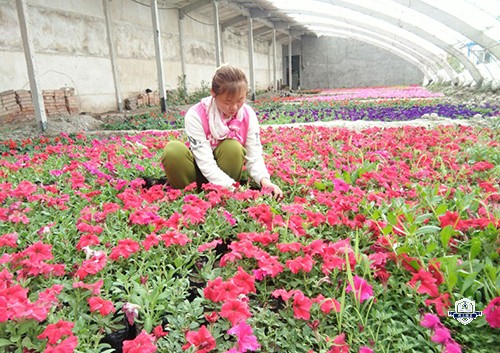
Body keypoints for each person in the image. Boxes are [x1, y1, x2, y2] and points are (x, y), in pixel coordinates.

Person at [160, 64, 283, 199]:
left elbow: (254, 156)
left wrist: (265, 182)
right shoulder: (196, 115)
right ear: (213, 93)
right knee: (172, 150)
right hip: (195, 174)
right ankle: (191, 196)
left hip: (227, 177)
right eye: (228, 102)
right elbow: (205, 163)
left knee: (232, 147)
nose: (234, 107)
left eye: (240, 100)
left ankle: (223, 194)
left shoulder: (248, 115)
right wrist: (237, 190)